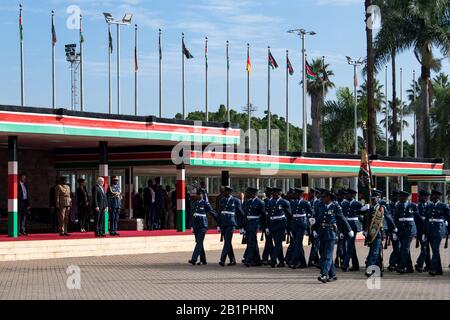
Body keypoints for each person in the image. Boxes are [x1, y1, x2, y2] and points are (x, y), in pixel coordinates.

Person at [311, 190, 353, 283]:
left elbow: (342, 218)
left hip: (331, 233)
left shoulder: (335, 206)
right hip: (321, 232)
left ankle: (324, 274)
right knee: (323, 254)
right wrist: (313, 230)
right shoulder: (320, 205)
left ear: (329, 198)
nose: (322, 198)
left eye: (324, 197)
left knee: (327, 255)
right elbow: (316, 219)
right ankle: (333, 274)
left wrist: (349, 229)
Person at [362, 193, 397, 277]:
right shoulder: (370, 208)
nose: (372, 201)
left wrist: (394, 228)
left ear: (378, 199)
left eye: (374, 199)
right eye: (371, 199)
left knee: (374, 251)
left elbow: (389, 217)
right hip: (371, 233)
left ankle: (370, 269)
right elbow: (367, 220)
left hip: (378, 233)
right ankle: (379, 270)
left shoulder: (381, 208)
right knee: (376, 252)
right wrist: (365, 230)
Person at [424, 190, 450, 276]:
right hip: (430, 230)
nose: (430, 196)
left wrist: (445, 221)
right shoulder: (429, 205)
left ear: (437, 196)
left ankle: (432, 268)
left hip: (439, 230)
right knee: (435, 250)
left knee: (435, 249)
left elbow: (448, 215)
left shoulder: (443, 205)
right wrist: (424, 232)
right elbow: (427, 219)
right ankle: (439, 270)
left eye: (432, 195)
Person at [188, 188, 217, 265]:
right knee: (199, 242)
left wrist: (219, 221)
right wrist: (191, 226)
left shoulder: (205, 203)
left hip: (202, 225)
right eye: (197, 194)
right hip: (196, 225)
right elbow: (192, 215)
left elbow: (212, 212)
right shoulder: (195, 203)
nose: (197, 196)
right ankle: (203, 260)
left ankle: (193, 259)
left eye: (199, 194)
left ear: (203, 195)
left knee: (199, 242)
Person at [218, 186, 243, 266]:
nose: (223, 193)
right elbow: (219, 212)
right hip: (223, 223)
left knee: (227, 241)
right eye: (223, 191)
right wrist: (218, 224)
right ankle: (232, 260)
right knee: (227, 242)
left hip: (231, 223)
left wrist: (241, 225)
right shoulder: (222, 200)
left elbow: (240, 213)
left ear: (229, 192)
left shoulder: (236, 200)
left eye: (225, 191)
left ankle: (222, 259)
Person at [287, 188, 312, 269]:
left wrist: (308, 222)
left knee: (297, 242)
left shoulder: (305, 203)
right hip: (294, 224)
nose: (293, 195)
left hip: (301, 224)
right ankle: (303, 262)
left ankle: (295, 261)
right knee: (297, 243)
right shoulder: (292, 203)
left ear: (300, 194)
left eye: (295, 193)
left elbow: (311, 213)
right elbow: (291, 215)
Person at [394, 191, 418, 274]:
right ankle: (409, 267)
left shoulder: (413, 206)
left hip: (410, 230)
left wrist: (421, 231)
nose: (399, 198)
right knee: (405, 249)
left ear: (405, 197)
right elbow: (396, 219)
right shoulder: (398, 206)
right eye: (399, 196)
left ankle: (401, 266)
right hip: (401, 230)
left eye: (401, 197)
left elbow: (418, 219)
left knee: (404, 248)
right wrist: (395, 230)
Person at [266, 187, 290, 268]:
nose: (272, 194)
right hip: (272, 224)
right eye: (272, 193)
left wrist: (287, 227)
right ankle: (281, 261)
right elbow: (268, 215)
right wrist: (267, 226)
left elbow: (289, 214)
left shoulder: (284, 202)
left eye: (274, 193)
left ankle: (273, 259)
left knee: (278, 243)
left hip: (280, 224)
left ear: (279, 193)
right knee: (277, 244)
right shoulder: (271, 201)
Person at [242, 187, 265, 267]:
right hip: (248, 224)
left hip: (254, 224)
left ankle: (248, 260)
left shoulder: (260, 202)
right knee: (252, 242)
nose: (247, 194)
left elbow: (263, 215)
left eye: (248, 192)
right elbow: (245, 215)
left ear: (254, 194)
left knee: (251, 242)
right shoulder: (248, 202)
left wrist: (262, 226)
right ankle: (257, 260)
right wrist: (243, 226)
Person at [341, 188, 363, 272]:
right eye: (349, 194)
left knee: (349, 246)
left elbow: (361, 215)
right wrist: (341, 230)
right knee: (351, 246)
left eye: (352, 194)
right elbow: (341, 217)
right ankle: (355, 265)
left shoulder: (357, 203)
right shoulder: (344, 203)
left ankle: (345, 264)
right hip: (346, 226)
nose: (349, 196)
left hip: (353, 226)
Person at [415, 190, 431, 272]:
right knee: (424, 248)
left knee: (427, 249)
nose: (424, 198)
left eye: (426, 196)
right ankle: (420, 265)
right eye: (423, 196)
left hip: (430, 231)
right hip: (421, 231)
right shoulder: (417, 206)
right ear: (420, 197)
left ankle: (428, 265)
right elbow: (417, 216)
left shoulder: (430, 205)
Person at [308, 188, 323, 267]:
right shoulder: (316, 202)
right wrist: (313, 229)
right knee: (316, 244)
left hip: (319, 225)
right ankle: (314, 260)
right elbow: (314, 215)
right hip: (316, 225)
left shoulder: (318, 202)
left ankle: (315, 260)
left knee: (318, 245)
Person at [387, 190, 400, 271]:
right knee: (396, 247)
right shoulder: (388, 206)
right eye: (392, 196)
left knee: (400, 247)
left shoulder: (400, 205)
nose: (393, 198)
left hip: (401, 229)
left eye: (395, 196)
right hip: (393, 229)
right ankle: (392, 263)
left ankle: (397, 262)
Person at [261, 187, 274, 265]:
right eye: (266, 192)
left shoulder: (274, 201)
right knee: (269, 241)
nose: (266, 193)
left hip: (274, 223)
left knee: (270, 242)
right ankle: (269, 257)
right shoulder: (264, 201)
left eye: (268, 192)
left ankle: (267, 257)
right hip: (266, 224)